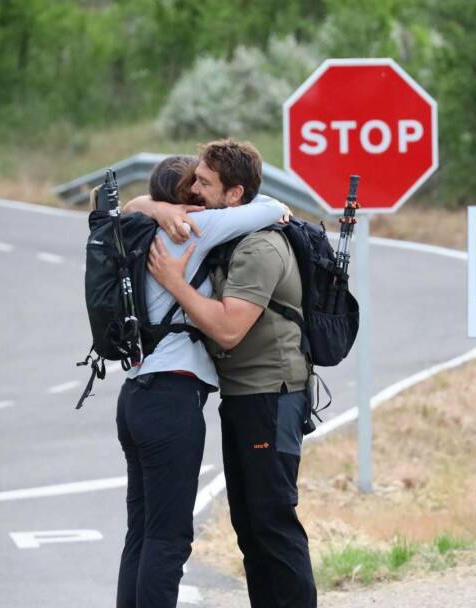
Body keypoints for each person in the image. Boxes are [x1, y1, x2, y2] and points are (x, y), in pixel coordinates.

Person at [112, 154, 292, 608]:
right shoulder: (192, 228)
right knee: (168, 539)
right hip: (172, 397)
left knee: (142, 532)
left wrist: (148, 205)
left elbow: (115, 206)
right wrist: (172, 210)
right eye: (194, 187)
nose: (198, 194)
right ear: (183, 200)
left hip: (135, 394)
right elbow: (267, 207)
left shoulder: (133, 230)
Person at [146, 139, 317, 608]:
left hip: (272, 396)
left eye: (204, 182)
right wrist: (156, 207)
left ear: (235, 194)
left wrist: (175, 284)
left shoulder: (260, 247)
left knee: (272, 522)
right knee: (250, 524)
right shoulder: (234, 230)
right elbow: (136, 206)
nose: (194, 189)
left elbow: (227, 330)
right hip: (245, 397)